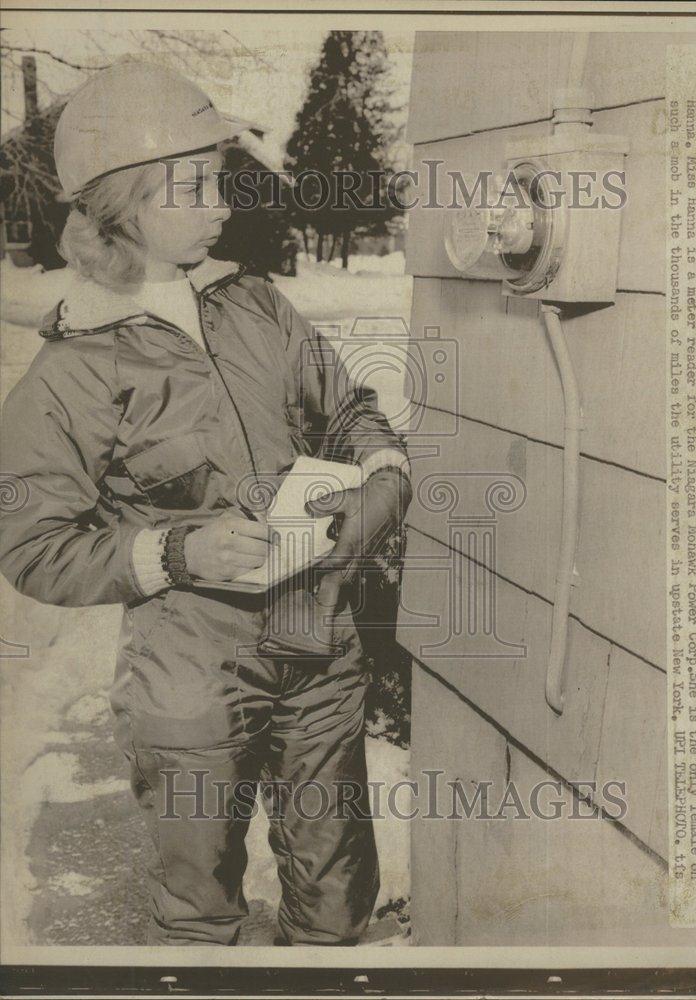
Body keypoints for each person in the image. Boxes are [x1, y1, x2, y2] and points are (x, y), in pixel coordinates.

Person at [0, 61, 411, 947]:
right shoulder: (73, 368)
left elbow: (343, 406)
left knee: (339, 896)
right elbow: (32, 543)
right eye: (196, 187)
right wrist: (176, 554)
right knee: (199, 912)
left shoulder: (255, 303)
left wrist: (379, 459)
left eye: (218, 181)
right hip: (189, 666)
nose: (222, 204)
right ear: (123, 206)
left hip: (316, 633)